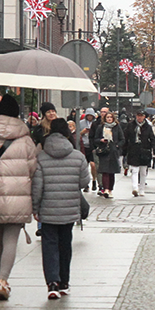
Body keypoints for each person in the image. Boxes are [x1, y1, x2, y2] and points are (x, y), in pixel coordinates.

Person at [0, 94, 38, 301]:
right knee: (11, 239)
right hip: (19, 194)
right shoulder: (25, 138)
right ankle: (3, 281)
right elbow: (33, 167)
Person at [31, 119, 89, 299]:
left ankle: (52, 283)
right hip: (69, 207)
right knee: (65, 244)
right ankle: (64, 282)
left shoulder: (41, 157)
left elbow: (37, 186)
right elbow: (84, 182)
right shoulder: (77, 156)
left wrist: (35, 207)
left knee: (49, 245)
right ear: (66, 133)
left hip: (48, 209)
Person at [123, 109, 155, 197]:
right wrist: (124, 150)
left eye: (141, 116)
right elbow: (125, 138)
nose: (139, 118)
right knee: (134, 170)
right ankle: (135, 188)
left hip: (144, 150)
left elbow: (153, 139)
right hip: (133, 150)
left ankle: (142, 189)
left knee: (143, 172)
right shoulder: (130, 125)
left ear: (144, 117)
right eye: (138, 116)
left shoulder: (148, 127)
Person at [94, 111, 124, 198]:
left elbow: (122, 139)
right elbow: (95, 139)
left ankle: (110, 189)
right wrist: (101, 140)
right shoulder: (101, 127)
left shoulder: (117, 127)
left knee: (112, 172)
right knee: (105, 171)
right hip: (104, 151)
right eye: (107, 117)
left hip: (113, 152)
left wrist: (117, 145)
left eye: (111, 117)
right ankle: (106, 189)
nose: (109, 119)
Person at [79, 108, 98, 192]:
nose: (90, 117)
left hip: (92, 146)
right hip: (83, 146)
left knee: (93, 165)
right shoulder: (81, 123)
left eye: (91, 116)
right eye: (88, 116)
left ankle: (94, 180)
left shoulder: (96, 123)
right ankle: (86, 184)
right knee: (84, 166)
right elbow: (76, 134)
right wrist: (82, 132)